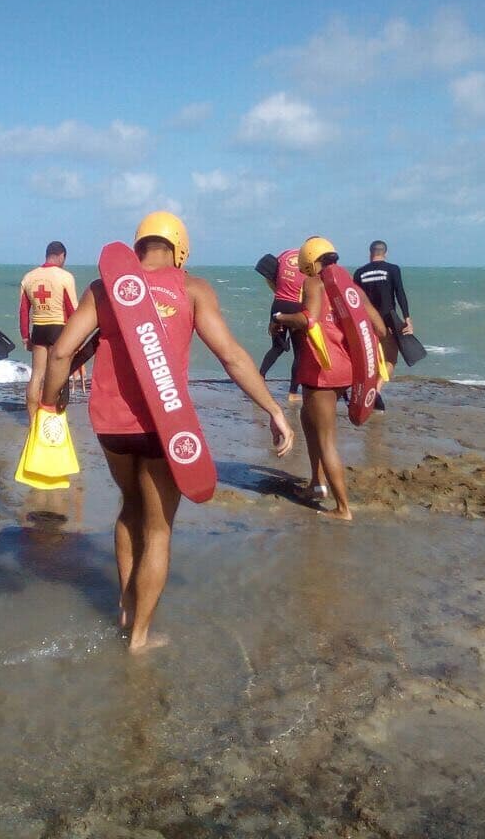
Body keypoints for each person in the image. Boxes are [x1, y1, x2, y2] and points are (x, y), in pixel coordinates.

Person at [42, 212, 294, 652]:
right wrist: (273, 408)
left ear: (136, 247)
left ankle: (125, 604)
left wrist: (51, 401)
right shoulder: (192, 289)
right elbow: (232, 357)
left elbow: (62, 351)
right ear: (180, 250)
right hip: (167, 423)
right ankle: (138, 636)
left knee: (130, 507)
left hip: (110, 425)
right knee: (158, 529)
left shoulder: (105, 289)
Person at [274, 236, 389, 521]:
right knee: (306, 416)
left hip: (322, 372)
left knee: (327, 441)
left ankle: (342, 508)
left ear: (310, 262)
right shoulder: (352, 289)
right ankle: (316, 483)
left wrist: (280, 319)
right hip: (346, 371)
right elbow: (381, 329)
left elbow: (308, 320)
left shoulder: (313, 283)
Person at [19, 240, 78, 419]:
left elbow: (23, 310)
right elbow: (73, 310)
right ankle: (53, 415)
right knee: (56, 375)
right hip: (58, 329)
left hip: (39, 329)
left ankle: (32, 419)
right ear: (61, 256)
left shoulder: (29, 277)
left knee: (36, 374)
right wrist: (76, 339)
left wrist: (25, 336)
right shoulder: (65, 276)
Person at [353, 240, 412, 411]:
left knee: (370, 359)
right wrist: (407, 318)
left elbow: (355, 300)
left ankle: (366, 389)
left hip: (367, 321)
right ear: (385, 252)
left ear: (370, 252)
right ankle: (376, 391)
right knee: (390, 359)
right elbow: (400, 293)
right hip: (388, 321)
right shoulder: (393, 269)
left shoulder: (360, 272)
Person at [265, 247, 305, 402]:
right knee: (299, 353)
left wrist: (279, 292)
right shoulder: (312, 261)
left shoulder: (285, 254)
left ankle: (259, 378)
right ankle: (293, 393)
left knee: (277, 347)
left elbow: (268, 276)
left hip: (278, 304)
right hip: (297, 307)